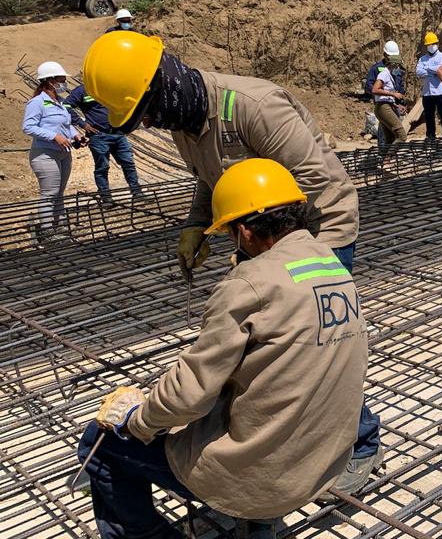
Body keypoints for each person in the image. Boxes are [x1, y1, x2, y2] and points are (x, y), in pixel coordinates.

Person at [81, 30, 382, 491]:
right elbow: (212, 178)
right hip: (264, 233)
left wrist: (295, 264)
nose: (152, 123)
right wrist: (197, 225)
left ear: (162, 85)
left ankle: (360, 443)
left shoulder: (253, 107)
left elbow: (318, 182)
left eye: (149, 112)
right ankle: (261, 436)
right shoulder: (185, 121)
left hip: (322, 227)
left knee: (321, 338)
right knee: (260, 340)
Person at [79, 159, 368, 539]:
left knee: (100, 446)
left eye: (230, 232)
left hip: (264, 480)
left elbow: (188, 396)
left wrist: (136, 418)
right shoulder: (331, 266)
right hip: (321, 463)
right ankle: (259, 522)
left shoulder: (248, 284)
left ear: (246, 230)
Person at [22, 61, 86, 241]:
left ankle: (60, 228)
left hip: (64, 153)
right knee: (49, 193)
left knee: (59, 193)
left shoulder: (62, 102)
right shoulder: (37, 103)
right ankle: (48, 231)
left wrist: (76, 136)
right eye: (61, 80)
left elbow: (66, 125)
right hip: (45, 154)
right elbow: (28, 127)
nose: (64, 83)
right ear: (49, 81)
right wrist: (53, 136)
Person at [65, 83, 144, 207]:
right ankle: (106, 198)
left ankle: (137, 193)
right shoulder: (82, 90)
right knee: (102, 167)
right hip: (99, 136)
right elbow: (66, 106)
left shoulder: (110, 86)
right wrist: (82, 124)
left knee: (128, 163)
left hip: (118, 133)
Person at [364, 41, 406, 155]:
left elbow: (400, 86)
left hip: (394, 105)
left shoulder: (396, 68)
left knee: (392, 135)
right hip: (383, 105)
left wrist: (400, 103)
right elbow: (370, 87)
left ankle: (389, 160)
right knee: (385, 134)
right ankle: (384, 158)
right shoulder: (378, 69)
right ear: (385, 55)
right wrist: (384, 96)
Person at [415, 31, 442, 140]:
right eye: (429, 45)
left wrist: (429, 70)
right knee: (429, 117)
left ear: (438, 44)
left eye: (433, 44)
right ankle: (430, 137)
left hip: (441, 91)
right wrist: (435, 72)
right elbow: (418, 72)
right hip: (427, 93)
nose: (431, 46)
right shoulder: (422, 59)